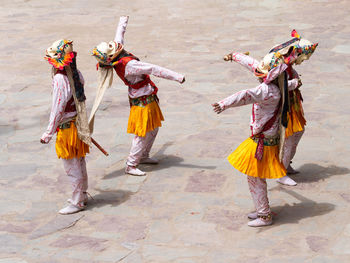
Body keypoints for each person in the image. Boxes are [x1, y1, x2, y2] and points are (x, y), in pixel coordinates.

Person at [213, 51, 301, 227]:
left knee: (255, 177)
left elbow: (245, 95)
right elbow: (253, 64)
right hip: (269, 139)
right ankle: (262, 209)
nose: (257, 74)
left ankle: (264, 214)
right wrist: (235, 56)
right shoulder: (283, 85)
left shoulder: (267, 91)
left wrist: (224, 104)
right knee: (255, 176)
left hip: (262, 141)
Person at [90, 16, 185, 176]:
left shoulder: (118, 57)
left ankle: (144, 155)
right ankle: (131, 164)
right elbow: (154, 69)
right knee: (141, 133)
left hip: (147, 97)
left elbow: (119, 36)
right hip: (141, 101)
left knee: (153, 129)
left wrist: (122, 20)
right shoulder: (129, 65)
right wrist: (177, 77)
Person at [223, 30, 317, 186]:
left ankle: (286, 164)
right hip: (281, 107)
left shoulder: (287, 64)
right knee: (290, 137)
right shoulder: (275, 66)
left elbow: (249, 61)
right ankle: (282, 171)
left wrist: (234, 56)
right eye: (304, 56)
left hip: (291, 103)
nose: (304, 59)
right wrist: (294, 84)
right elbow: (276, 86)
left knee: (296, 134)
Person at [41, 39, 91, 214]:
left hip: (68, 128)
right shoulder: (75, 73)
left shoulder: (60, 79)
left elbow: (58, 106)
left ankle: (77, 200)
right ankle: (82, 194)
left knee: (72, 166)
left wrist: (48, 132)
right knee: (79, 161)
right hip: (76, 124)